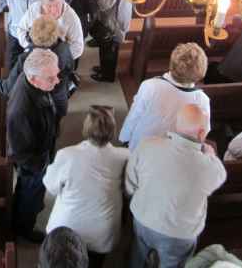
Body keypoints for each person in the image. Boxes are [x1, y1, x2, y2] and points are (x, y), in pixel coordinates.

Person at [126, 104, 227, 268]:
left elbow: (131, 182)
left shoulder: (147, 144)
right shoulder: (210, 166)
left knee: (138, 255)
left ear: (177, 125)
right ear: (201, 133)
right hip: (179, 233)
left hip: (142, 217)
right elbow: (220, 177)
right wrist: (211, 156)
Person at [43, 106, 130, 268]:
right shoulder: (125, 156)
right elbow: (129, 189)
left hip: (66, 229)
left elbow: (51, 187)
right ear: (113, 130)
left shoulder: (66, 154)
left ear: (86, 128)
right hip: (102, 233)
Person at [7, 48, 59, 243]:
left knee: (31, 193)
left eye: (57, 74)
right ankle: (24, 229)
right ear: (33, 79)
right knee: (29, 194)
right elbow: (21, 153)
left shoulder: (34, 83)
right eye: (51, 78)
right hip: (33, 163)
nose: (57, 81)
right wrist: (41, 165)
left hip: (41, 150)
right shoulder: (21, 111)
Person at [120, 43, 210, 150]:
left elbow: (134, 115)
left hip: (141, 145)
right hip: (174, 152)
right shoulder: (202, 100)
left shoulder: (150, 85)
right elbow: (204, 131)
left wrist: (124, 138)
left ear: (172, 64)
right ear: (200, 72)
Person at [0, 15, 74, 119]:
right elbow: (70, 67)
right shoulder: (64, 47)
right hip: (60, 96)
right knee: (57, 118)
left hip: (39, 103)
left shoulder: (28, 58)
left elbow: (9, 88)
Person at [16, 0, 84, 61]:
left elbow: (78, 46)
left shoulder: (71, 17)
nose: (53, 10)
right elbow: (21, 29)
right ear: (42, 4)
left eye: (57, 5)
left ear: (62, 2)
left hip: (59, 58)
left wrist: (56, 59)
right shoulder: (34, 9)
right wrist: (30, 49)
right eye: (49, 6)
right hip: (35, 53)